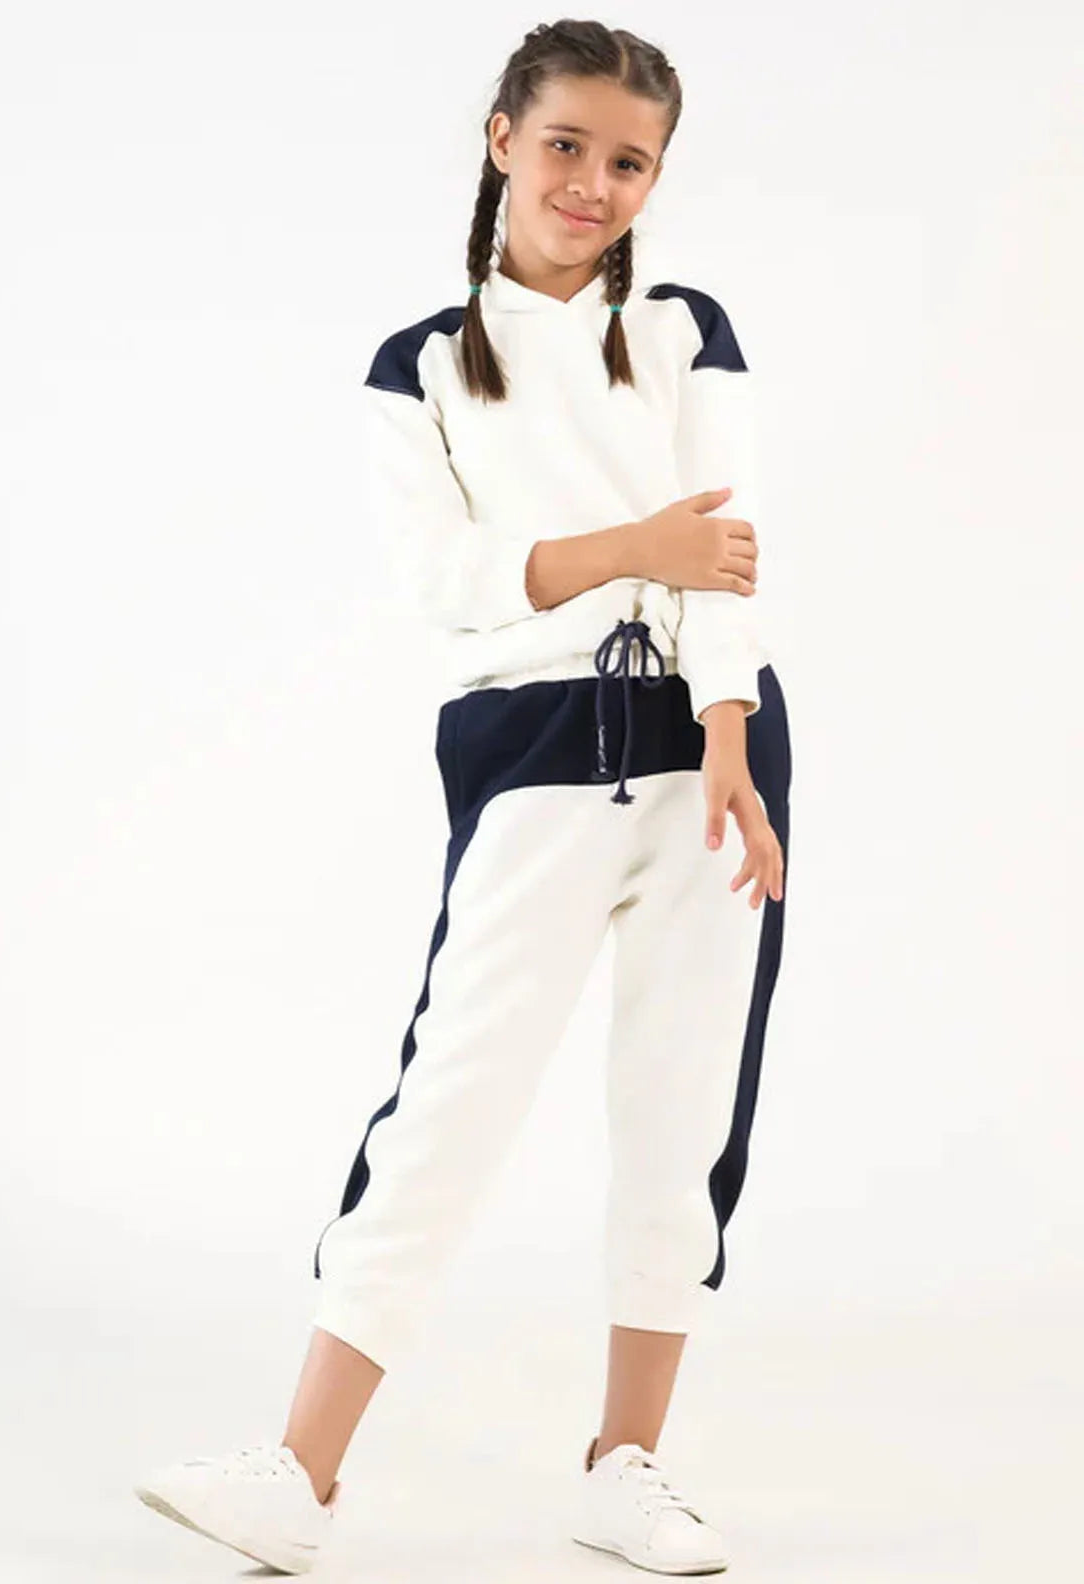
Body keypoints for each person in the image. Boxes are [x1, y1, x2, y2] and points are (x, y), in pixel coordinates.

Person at [133, 19, 791, 1576]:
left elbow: (728, 548)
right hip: (531, 742)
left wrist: (729, 735)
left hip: (714, 749)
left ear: (655, 179)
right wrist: (631, 549)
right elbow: (449, 585)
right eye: (564, 144)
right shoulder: (423, 365)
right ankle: (299, 1473)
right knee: (451, 1099)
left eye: (627, 161)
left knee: (683, 1102)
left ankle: (625, 1467)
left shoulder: (683, 331)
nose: (590, 182)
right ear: (501, 140)